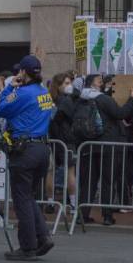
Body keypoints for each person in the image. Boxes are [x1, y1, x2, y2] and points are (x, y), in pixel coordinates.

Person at [0, 55, 55, 260]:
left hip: (25, 150)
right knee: (28, 197)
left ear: (23, 72)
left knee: (22, 199)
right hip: (42, 148)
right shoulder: (43, 92)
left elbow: (1, 109)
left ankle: (28, 246)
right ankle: (43, 236)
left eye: (19, 71)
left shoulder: (21, 93)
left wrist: (8, 87)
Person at [77, 74, 133, 226]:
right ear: (94, 84)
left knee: (88, 182)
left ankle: (82, 215)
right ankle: (107, 216)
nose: (102, 83)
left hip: (88, 144)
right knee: (108, 181)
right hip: (108, 144)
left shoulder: (80, 99)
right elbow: (120, 114)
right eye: (99, 81)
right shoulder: (103, 99)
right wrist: (132, 99)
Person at [47, 72, 78, 212]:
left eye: (69, 82)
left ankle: (50, 202)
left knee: (51, 172)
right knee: (68, 172)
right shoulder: (66, 101)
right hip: (64, 139)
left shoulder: (50, 100)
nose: (69, 85)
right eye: (66, 83)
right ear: (58, 85)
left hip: (53, 138)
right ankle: (72, 203)